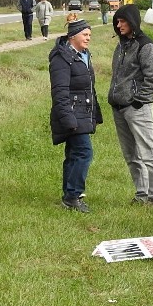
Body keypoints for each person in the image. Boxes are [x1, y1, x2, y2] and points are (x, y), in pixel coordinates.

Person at [107, 4, 153, 207]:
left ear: (132, 22)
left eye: (122, 21)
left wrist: (138, 101)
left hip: (137, 108)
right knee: (131, 154)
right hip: (119, 108)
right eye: (117, 21)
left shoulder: (146, 46)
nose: (118, 24)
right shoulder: (121, 45)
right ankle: (141, 194)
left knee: (149, 153)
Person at [48, 14, 103, 213]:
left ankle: (68, 196)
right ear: (73, 36)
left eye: (89, 34)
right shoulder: (62, 58)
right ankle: (73, 195)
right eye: (85, 34)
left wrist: (94, 113)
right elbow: (60, 92)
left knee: (73, 154)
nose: (88, 38)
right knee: (84, 152)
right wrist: (68, 118)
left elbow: (88, 88)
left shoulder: (84, 55)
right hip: (72, 114)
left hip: (82, 112)